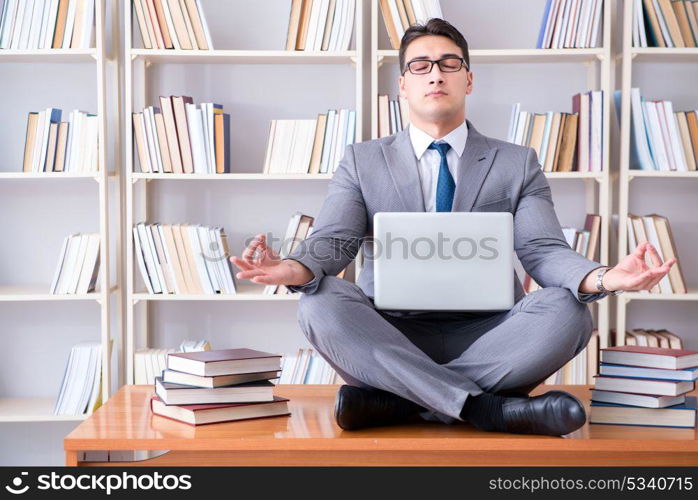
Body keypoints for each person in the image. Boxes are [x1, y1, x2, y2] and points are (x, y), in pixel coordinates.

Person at [230, 19, 676, 436]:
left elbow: (542, 249)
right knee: (318, 302)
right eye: (420, 66)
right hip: (389, 332)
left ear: (469, 79)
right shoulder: (362, 160)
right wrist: (292, 268)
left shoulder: (516, 162)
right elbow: (335, 242)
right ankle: (486, 408)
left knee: (568, 309)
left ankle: (400, 402)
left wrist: (603, 277)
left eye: (449, 64)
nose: (435, 75)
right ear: (402, 85)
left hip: (494, 334)